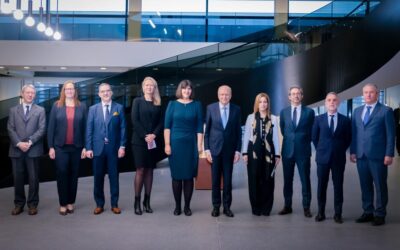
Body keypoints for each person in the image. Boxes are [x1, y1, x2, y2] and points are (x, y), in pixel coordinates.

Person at [350, 83, 395, 226]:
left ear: (377, 93)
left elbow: (390, 135)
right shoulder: (357, 111)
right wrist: (352, 151)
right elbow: (354, 134)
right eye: (365, 92)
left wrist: (389, 154)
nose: (368, 95)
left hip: (379, 156)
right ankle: (368, 211)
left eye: (371, 92)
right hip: (361, 155)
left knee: (380, 185)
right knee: (365, 185)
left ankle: (380, 214)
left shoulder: (386, 111)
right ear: (362, 94)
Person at [85, 83, 126, 215]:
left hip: (114, 149)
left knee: (114, 177)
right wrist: (88, 148)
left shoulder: (118, 108)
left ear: (111, 92)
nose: (105, 93)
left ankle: (114, 204)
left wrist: (122, 146)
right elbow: (89, 130)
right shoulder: (93, 109)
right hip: (97, 149)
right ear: (99, 94)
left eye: (108, 91)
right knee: (98, 177)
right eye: (103, 91)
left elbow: (123, 129)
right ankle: (99, 204)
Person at [47, 80, 87, 215]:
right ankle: (63, 203)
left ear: (75, 91)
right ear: (63, 91)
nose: (69, 91)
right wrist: (51, 147)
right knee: (62, 174)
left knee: (74, 175)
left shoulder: (82, 106)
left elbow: (86, 128)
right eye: (67, 89)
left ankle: (71, 202)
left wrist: (86, 147)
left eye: (72, 89)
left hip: (77, 147)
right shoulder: (56, 105)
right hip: (60, 147)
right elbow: (51, 127)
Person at [164, 79, 203, 216]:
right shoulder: (172, 104)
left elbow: (199, 127)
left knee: (188, 177)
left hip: (191, 144)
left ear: (192, 91)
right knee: (176, 177)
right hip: (175, 144)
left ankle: (187, 206)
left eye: (189, 89)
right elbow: (167, 127)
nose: (187, 91)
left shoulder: (197, 105)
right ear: (180, 90)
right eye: (184, 88)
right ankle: (177, 206)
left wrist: (199, 146)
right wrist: (167, 144)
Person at [312, 92, 351, 223]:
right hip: (322, 158)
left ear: (338, 102)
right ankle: (321, 212)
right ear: (325, 103)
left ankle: (338, 214)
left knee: (338, 186)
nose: (332, 102)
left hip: (338, 158)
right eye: (329, 100)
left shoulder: (345, 120)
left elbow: (348, 139)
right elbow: (314, 138)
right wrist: (322, 149)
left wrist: (339, 150)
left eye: (334, 100)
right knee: (321, 186)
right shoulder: (318, 119)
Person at [7, 84, 46, 216]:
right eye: (28, 92)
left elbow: (42, 129)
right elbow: (10, 129)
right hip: (16, 150)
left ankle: (32, 204)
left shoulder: (40, 110)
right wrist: (18, 143)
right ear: (22, 94)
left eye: (32, 93)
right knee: (18, 178)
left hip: (33, 149)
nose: (30, 95)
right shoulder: (13, 110)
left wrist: (29, 142)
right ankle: (18, 204)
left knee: (34, 178)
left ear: (35, 95)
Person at [204, 85, 242, 218]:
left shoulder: (236, 109)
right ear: (218, 95)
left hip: (230, 152)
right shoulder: (211, 108)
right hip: (214, 151)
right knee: (215, 181)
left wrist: (238, 151)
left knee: (228, 181)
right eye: (222, 94)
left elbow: (238, 132)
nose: (224, 97)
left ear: (230, 96)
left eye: (227, 94)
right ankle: (216, 207)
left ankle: (227, 207)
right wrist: (207, 149)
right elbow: (207, 132)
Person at [279, 86, 315, 218]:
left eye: (298, 93)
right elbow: (283, 130)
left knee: (305, 180)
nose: (295, 96)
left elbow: (312, 131)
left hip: (303, 151)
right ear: (289, 97)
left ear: (302, 96)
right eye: (293, 94)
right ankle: (287, 206)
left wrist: (303, 141)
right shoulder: (284, 112)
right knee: (287, 180)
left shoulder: (309, 112)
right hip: (287, 151)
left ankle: (306, 207)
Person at [242, 93, 280, 216]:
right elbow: (247, 136)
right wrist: (244, 153)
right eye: (260, 102)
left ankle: (266, 208)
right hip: (253, 152)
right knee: (254, 179)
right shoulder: (250, 117)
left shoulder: (273, 118)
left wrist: (278, 155)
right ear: (257, 104)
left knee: (268, 179)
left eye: (265, 102)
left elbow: (275, 138)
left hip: (269, 153)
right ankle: (256, 207)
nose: (263, 104)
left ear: (268, 104)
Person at [131, 77, 163, 215]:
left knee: (150, 170)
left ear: (155, 88)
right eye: (147, 85)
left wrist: (153, 135)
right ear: (143, 87)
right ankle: (137, 202)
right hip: (139, 141)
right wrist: (146, 136)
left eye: (152, 85)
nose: (149, 87)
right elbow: (134, 120)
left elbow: (161, 122)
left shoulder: (158, 103)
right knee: (140, 170)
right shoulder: (137, 101)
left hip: (153, 141)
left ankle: (147, 202)